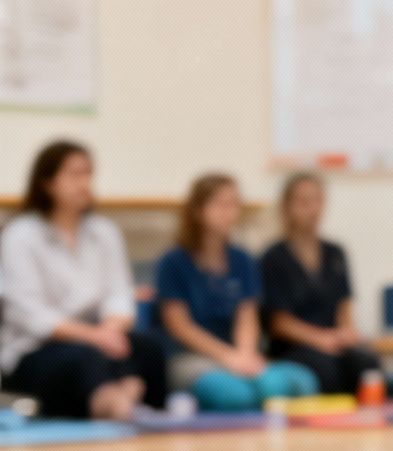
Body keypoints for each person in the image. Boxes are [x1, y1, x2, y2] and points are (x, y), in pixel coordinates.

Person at [0, 140, 166, 420]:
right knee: (85, 358)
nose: (83, 183)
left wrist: (111, 329)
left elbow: (119, 293)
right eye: (74, 174)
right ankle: (120, 405)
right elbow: (29, 313)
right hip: (37, 349)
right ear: (47, 182)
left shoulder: (104, 231)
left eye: (88, 173)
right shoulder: (21, 236)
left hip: (100, 336)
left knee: (148, 347)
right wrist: (94, 336)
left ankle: (129, 406)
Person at [155, 173, 318, 411]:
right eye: (220, 204)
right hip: (193, 357)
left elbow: (247, 317)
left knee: (304, 381)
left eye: (233, 204)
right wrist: (228, 357)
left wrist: (244, 355)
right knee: (235, 395)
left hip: (239, 355)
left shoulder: (242, 260)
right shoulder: (173, 262)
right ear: (198, 210)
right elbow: (180, 327)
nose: (229, 212)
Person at [259, 172, 393, 397]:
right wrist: (321, 339)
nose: (313, 209)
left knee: (367, 364)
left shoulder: (335, 253)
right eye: (304, 202)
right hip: (295, 346)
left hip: (334, 341)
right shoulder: (273, 258)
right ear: (287, 207)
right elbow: (279, 323)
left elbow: (344, 303)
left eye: (318, 201)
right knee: (327, 372)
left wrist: (347, 333)